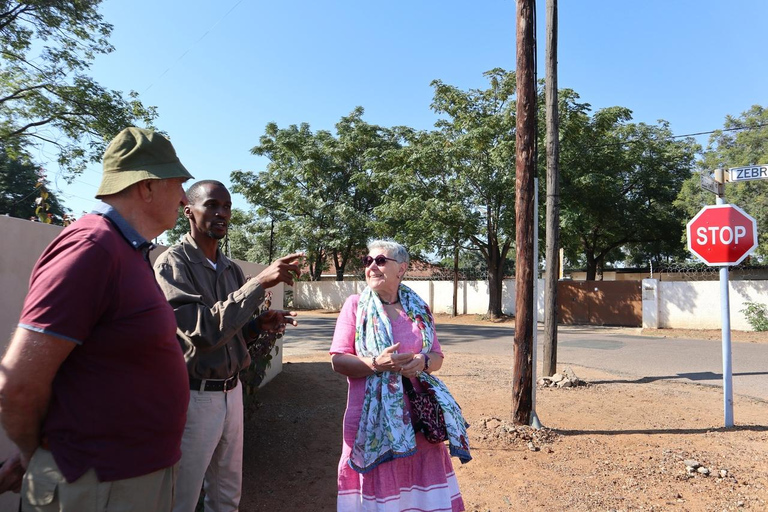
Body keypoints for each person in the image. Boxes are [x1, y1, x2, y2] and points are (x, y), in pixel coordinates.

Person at [0, 127, 194, 511]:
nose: (185, 197)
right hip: (96, 484)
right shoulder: (92, 248)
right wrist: (34, 456)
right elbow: (18, 384)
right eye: (178, 184)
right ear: (146, 187)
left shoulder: (126, 252)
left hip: (124, 478)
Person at [153, 180, 302, 512]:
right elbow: (202, 332)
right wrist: (258, 283)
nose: (222, 213)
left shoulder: (230, 268)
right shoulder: (172, 265)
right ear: (188, 211)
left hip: (231, 393)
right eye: (212, 205)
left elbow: (229, 336)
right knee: (183, 496)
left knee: (226, 494)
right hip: (195, 398)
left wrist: (256, 326)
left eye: (227, 206)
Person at [330, 240, 472, 511]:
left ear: (402, 269)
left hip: (419, 423)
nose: (372, 266)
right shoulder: (355, 306)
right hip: (371, 426)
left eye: (380, 260)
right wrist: (376, 363)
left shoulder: (418, 309)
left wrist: (422, 361)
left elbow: (437, 357)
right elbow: (338, 360)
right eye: (367, 261)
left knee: (419, 494)